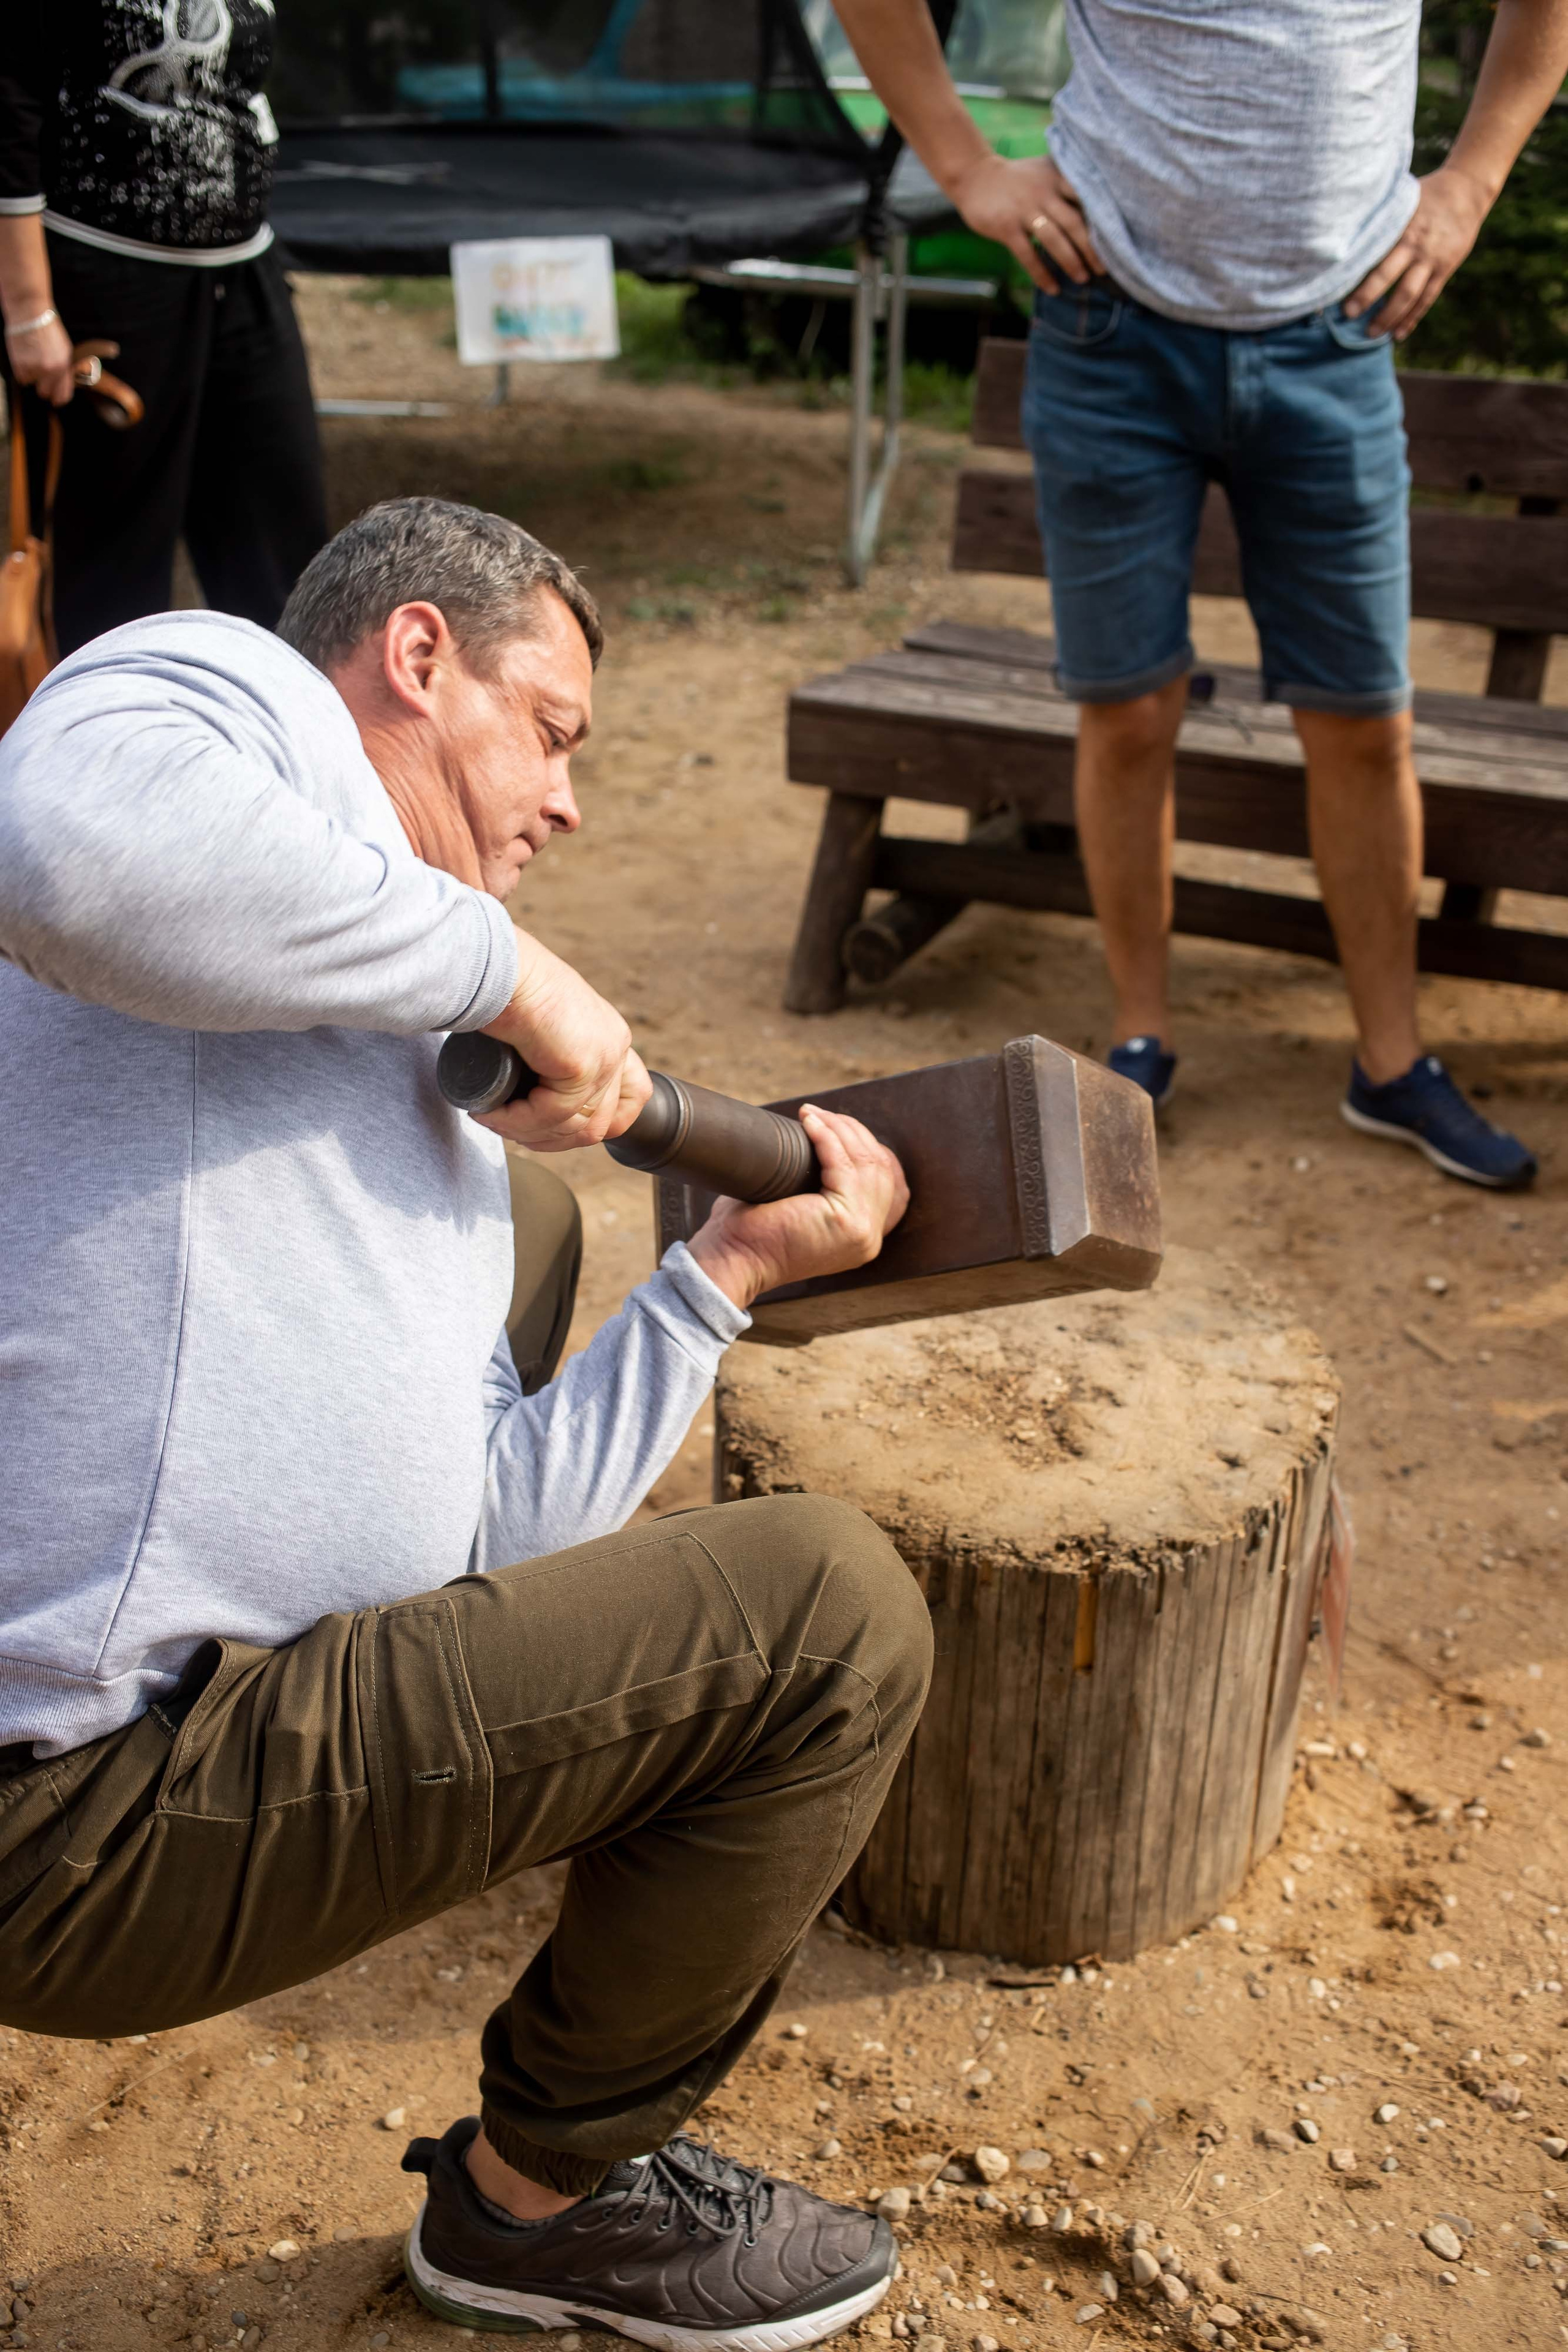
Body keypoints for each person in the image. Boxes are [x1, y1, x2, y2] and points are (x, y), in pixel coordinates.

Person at [0, 497, 930, 2346]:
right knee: (829, 1612)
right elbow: (58, 848)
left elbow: (481, 1545)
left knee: (532, 1219)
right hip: (71, 1811)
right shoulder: (227, 694)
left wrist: (715, 1279)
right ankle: (545, 2200)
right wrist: (506, 969)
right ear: (417, 658)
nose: (569, 803)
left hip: (200, 1741)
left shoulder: (418, 1103)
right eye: (552, 730)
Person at [832, 0, 1568, 1190]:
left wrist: (1470, 185)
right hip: (1107, 330)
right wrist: (964, 168)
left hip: (1336, 332)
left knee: (1363, 721)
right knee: (1127, 709)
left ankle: (1390, 1063)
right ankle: (1139, 1042)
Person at [0, 2, 327, 655]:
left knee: (291, 572)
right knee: (110, 579)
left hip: (244, 273)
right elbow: (9, 100)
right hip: (102, 284)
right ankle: (97, 748)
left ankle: (286, 747)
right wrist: (28, 305)